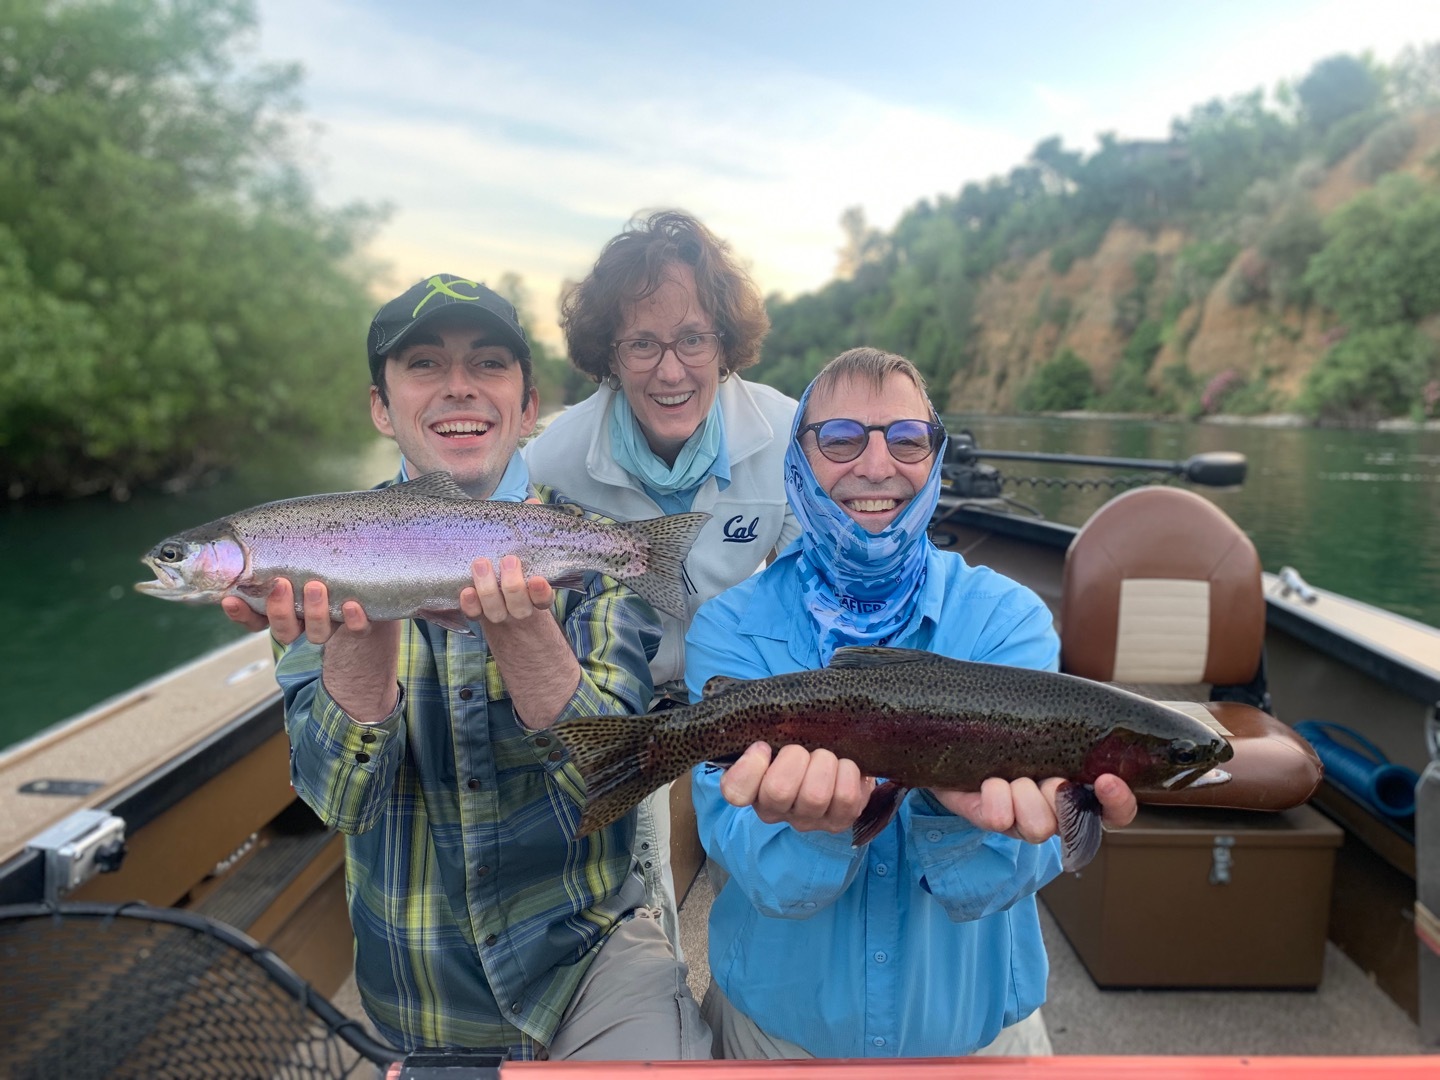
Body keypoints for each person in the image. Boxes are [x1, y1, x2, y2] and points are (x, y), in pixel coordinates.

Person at [221, 274, 710, 1061]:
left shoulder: (592, 546)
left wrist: (526, 643)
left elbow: (614, 787)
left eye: (488, 363)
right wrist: (362, 641)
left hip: (590, 968)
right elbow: (340, 802)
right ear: (381, 406)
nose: (458, 387)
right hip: (417, 998)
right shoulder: (318, 563)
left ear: (526, 407)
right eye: (423, 365)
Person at [685, 347, 1139, 1060]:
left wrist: (945, 806)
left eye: (906, 439)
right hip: (779, 1038)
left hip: (978, 1036)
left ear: (934, 456)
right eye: (840, 439)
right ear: (798, 460)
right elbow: (758, 873)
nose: (875, 465)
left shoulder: (1009, 620)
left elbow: (1008, 876)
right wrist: (820, 828)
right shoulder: (728, 628)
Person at [523, 211, 801, 953]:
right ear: (609, 357)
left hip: (741, 690)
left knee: (774, 871)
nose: (671, 369)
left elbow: (812, 593)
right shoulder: (552, 460)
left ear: (725, 344)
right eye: (642, 343)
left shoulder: (789, 438)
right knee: (632, 907)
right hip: (616, 692)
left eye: (692, 339)